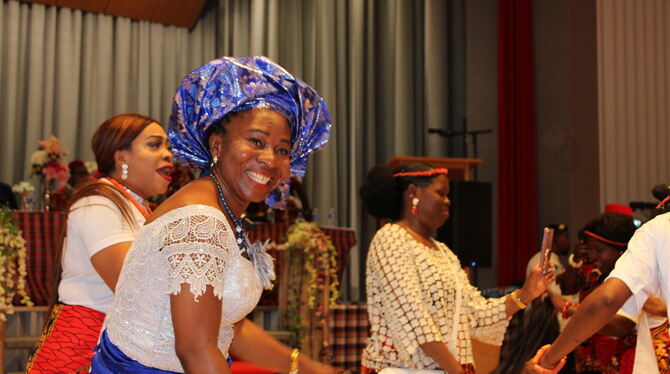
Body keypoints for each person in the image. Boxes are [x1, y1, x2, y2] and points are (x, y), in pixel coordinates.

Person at [90, 56, 336, 374]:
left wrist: (306, 368)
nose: (270, 160)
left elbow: (225, 327)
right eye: (256, 141)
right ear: (217, 144)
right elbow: (194, 348)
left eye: (282, 150)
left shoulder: (217, 208)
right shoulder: (201, 220)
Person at [358, 163, 558, 374]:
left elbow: (474, 315)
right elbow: (414, 319)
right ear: (413, 193)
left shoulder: (443, 251)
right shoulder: (391, 238)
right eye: (441, 193)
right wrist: (456, 370)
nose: (448, 201)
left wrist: (526, 294)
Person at [26, 113, 174, 373]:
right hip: (83, 348)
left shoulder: (138, 207)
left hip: (119, 345)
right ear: (122, 157)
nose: (167, 154)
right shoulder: (98, 203)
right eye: (154, 144)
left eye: (168, 147)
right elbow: (134, 288)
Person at [537, 211, 670, 374]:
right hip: (589, 357)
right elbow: (568, 286)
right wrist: (576, 261)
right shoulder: (593, 273)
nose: (593, 256)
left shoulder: (637, 277)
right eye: (589, 250)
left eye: (599, 250)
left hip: (620, 361)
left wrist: (569, 310)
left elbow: (618, 319)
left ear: (621, 251)